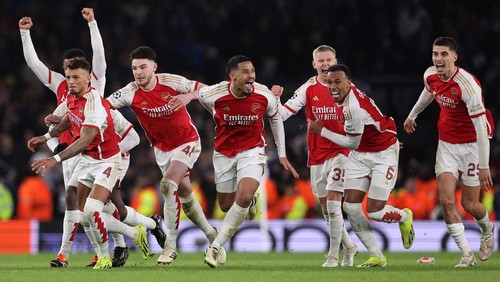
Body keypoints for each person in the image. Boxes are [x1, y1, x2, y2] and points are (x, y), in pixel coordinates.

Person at [107, 46, 225, 265]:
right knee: (186, 196)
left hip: (187, 141)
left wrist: (189, 96)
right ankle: (212, 234)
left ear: (154, 67)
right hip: (162, 149)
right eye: (134, 68)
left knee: (167, 184)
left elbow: (206, 90)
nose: (139, 72)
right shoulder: (130, 92)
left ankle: (170, 246)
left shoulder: (171, 81)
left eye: (143, 67)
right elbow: (103, 106)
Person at [28, 58, 150, 269]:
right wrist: (46, 138)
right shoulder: (72, 98)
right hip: (88, 161)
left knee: (93, 209)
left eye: (76, 77)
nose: (71, 82)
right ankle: (132, 233)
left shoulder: (94, 102)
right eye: (68, 77)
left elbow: (85, 138)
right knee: (85, 216)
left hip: (108, 161)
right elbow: (69, 119)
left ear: (88, 79)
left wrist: (53, 159)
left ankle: (104, 255)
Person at [19, 7, 110, 267]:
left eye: (74, 70)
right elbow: (33, 63)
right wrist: (25, 33)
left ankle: (135, 232)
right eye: (66, 69)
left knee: (106, 206)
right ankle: (66, 254)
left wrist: (92, 24)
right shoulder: (59, 82)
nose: (70, 76)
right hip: (69, 147)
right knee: (74, 198)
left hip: (97, 147)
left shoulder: (95, 81)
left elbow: (101, 57)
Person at [194, 55, 298, 268]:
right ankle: (248, 201)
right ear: (232, 76)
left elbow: (275, 117)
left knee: (243, 194)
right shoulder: (212, 93)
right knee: (224, 205)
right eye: (246, 72)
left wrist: (282, 154)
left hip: (252, 150)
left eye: (252, 71)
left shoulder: (264, 95)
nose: (251, 76)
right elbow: (204, 101)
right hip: (223, 153)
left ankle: (215, 247)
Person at [308, 64, 414, 267]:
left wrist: (321, 131)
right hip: (361, 154)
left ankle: (403, 216)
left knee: (374, 211)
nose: (332, 86)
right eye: (329, 82)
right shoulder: (344, 97)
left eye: (338, 81)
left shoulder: (352, 107)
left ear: (349, 83)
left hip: (383, 154)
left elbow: (351, 142)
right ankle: (377, 256)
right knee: (350, 206)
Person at [403, 36, 494, 267]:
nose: (438, 59)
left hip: (473, 144)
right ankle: (466, 254)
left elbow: (481, 129)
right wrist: (413, 115)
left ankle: (487, 229)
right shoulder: (430, 74)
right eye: (435, 54)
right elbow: (428, 91)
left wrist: (484, 165)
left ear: (454, 57)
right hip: (447, 144)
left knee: (470, 205)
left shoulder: (467, 85)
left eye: (444, 54)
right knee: (445, 200)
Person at [271, 45, 357, 267]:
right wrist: (276, 99)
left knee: (333, 204)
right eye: (321, 60)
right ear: (314, 64)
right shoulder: (308, 88)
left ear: (335, 60)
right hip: (317, 155)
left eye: (329, 59)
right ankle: (349, 246)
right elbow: (282, 114)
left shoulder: (348, 87)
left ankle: (333, 256)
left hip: (342, 152)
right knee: (327, 210)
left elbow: (365, 116)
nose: (325, 64)